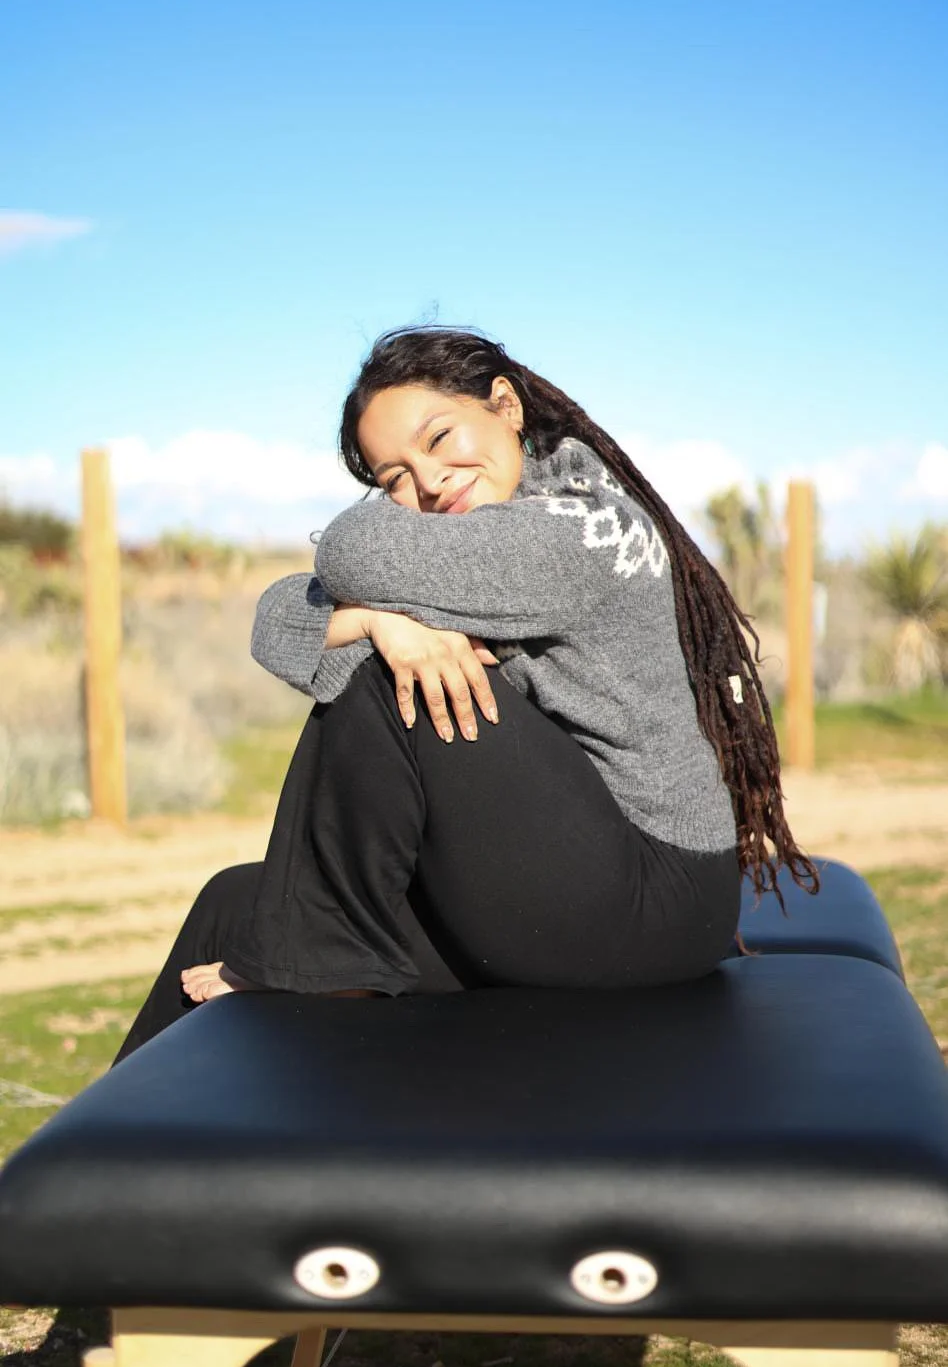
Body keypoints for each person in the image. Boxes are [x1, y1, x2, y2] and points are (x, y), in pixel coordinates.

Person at [115, 326, 817, 1062]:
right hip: (561, 876)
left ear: (506, 406)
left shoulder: (581, 530)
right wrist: (383, 622)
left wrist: (382, 628)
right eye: (392, 478)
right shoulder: (477, 544)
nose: (429, 480)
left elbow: (351, 549)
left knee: (386, 682)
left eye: (440, 436)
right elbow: (273, 621)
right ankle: (101, 1155)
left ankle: (327, 972)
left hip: (652, 896)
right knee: (238, 902)